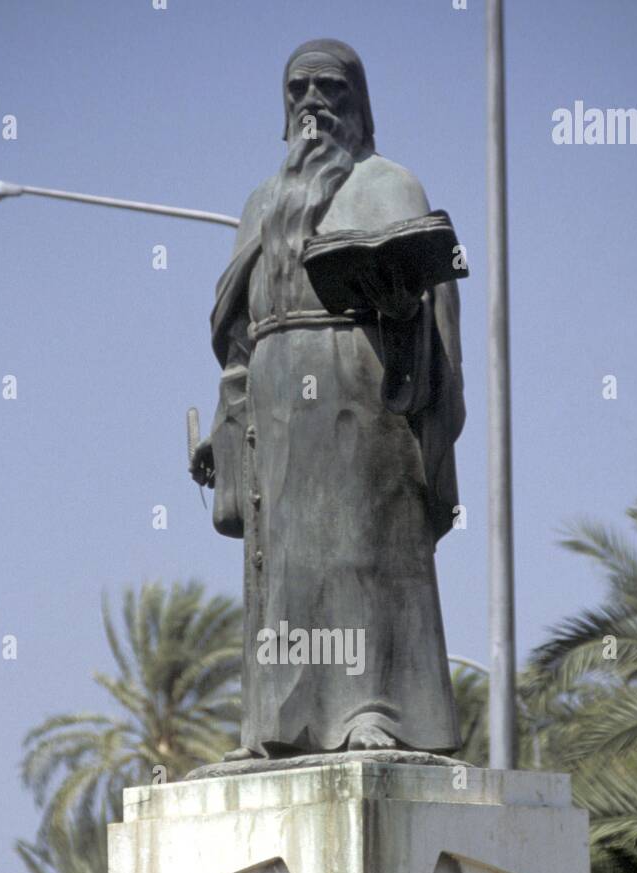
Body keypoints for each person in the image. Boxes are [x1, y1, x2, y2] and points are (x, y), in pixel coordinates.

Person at [191, 39, 466, 760]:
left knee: (356, 550)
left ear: (358, 104)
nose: (313, 103)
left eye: (331, 90)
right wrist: (223, 428)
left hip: (360, 380)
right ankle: (276, 726)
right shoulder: (261, 202)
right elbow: (238, 334)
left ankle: (372, 712)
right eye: (298, 90)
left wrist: (398, 308)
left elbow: (433, 310)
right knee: (279, 565)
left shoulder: (389, 185)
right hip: (275, 401)